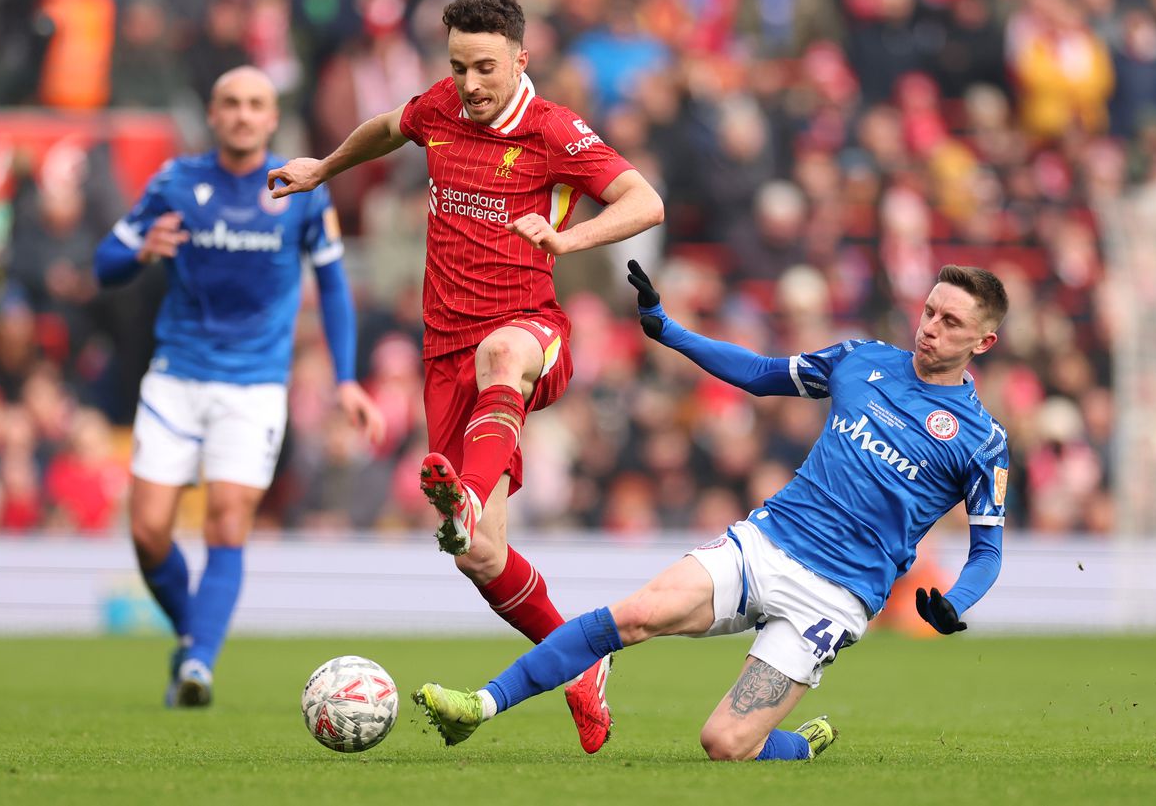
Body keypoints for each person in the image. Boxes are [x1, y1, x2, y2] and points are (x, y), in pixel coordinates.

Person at [267, 0, 664, 752]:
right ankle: (583, 664)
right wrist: (324, 166)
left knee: (501, 356)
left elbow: (643, 201)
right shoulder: (441, 108)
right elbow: (389, 126)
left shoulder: (554, 131)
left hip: (528, 331)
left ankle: (466, 494)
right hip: (444, 353)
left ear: (522, 59)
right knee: (476, 552)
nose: (471, 84)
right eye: (458, 67)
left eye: (485, 67)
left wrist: (564, 240)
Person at [411, 261, 1010, 762]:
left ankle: (798, 747)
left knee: (724, 743)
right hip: (768, 543)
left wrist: (956, 603)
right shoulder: (862, 360)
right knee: (637, 613)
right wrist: (669, 329)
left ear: (983, 342)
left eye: (950, 321)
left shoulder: (982, 442)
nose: (929, 327)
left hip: (836, 597)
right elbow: (758, 374)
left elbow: (987, 550)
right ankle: (479, 706)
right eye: (930, 310)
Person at [93, 66, 385, 708]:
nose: (244, 114)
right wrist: (141, 247)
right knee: (147, 533)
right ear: (215, 114)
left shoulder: (301, 188)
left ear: (272, 116)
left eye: (256, 104)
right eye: (231, 103)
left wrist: (344, 379)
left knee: (228, 520)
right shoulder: (176, 182)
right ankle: (192, 636)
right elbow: (103, 264)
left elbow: (334, 285)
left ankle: (198, 662)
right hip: (176, 377)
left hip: (254, 385)